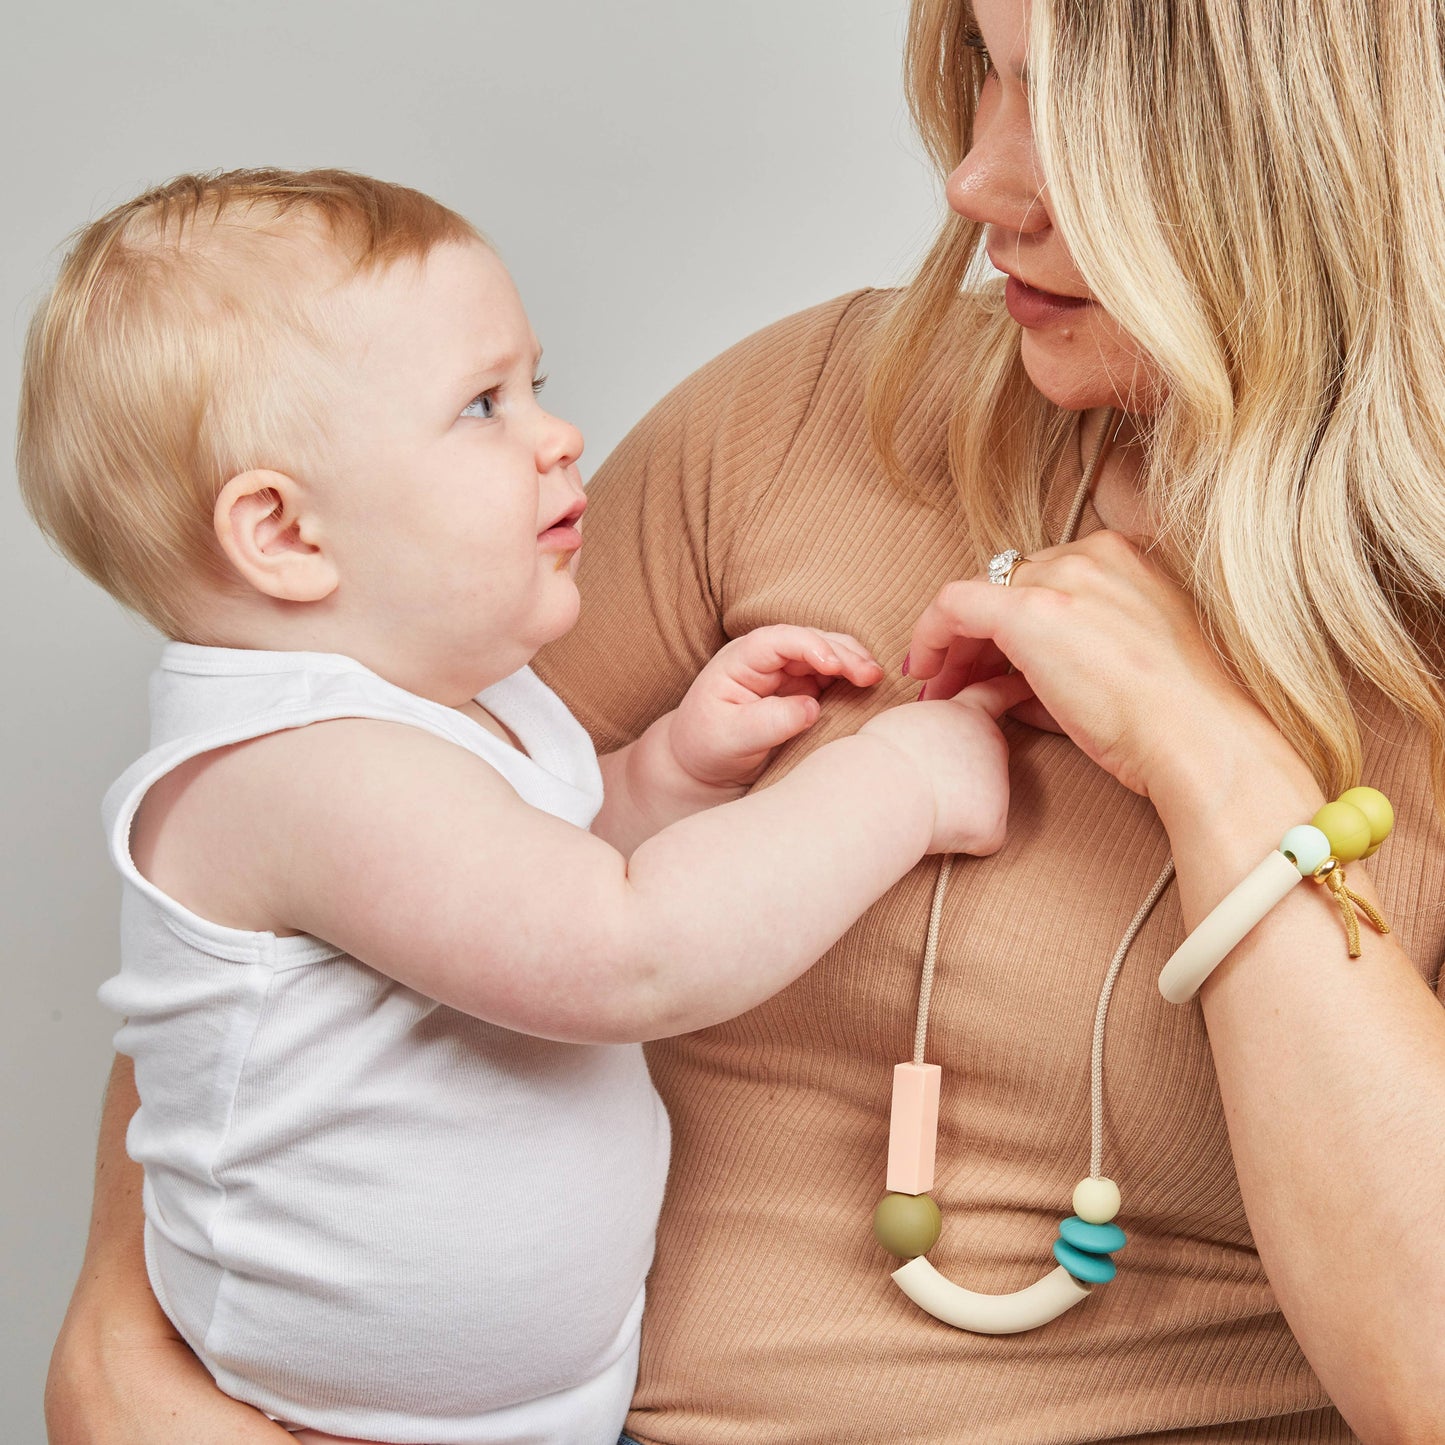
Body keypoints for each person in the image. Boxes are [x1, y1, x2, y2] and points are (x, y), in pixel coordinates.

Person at [44, 0, 1445, 1442]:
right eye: (980, 77)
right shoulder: (806, 412)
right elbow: (302, 989)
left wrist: (1210, 758)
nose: (972, 181)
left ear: (1286, 152)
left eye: (1061, 104)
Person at [19, 169, 1031, 1445]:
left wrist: (668, 772)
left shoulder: (442, 705)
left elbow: (533, 872)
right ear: (282, 534)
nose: (556, 434)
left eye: (533, 386)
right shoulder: (296, 769)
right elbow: (621, 953)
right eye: (481, 407)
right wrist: (895, 780)